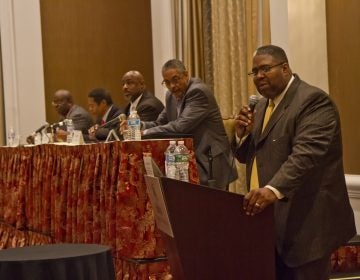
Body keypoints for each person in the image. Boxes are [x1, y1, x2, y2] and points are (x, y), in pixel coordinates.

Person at [233, 45, 355, 280]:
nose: (259, 76)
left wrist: (270, 190)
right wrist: (242, 135)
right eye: (254, 72)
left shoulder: (313, 101)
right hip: (271, 222)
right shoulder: (261, 105)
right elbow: (249, 155)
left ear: (285, 68)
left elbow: (305, 155)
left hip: (306, 224)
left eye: (266, 69)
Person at [141, 59, 237, 189]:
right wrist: (139, 127)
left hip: (209, 161)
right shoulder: (171, 95)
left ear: (186, 75)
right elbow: (159, 123)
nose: (172, 86)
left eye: (175, 79)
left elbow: (180, 127)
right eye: (167, 82)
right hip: (188, 158)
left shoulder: (198, 91)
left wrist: (145, 133)